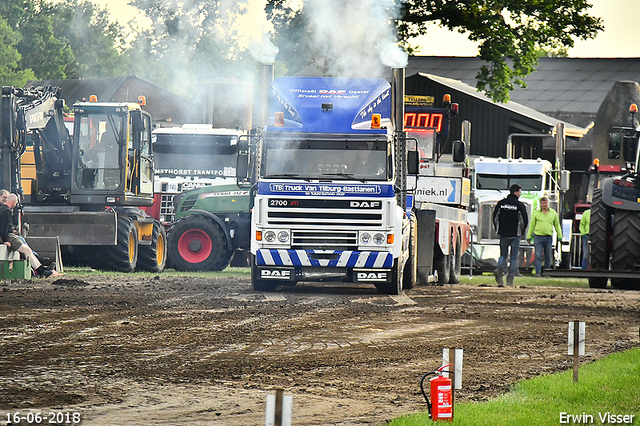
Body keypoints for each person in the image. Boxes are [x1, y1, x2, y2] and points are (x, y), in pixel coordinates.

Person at [0, 193, 59, 278]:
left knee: (28, 250)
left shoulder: (2, 209)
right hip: (8, 237)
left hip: (9, 235)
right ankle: (41, 270)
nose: (16, 205)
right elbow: (3, 228)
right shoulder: (6, 211)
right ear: (13, 202)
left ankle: (42, 269)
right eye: (16, 202)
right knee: (26, 250)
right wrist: (5, 241)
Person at [492, 184, 528, 286]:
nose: (520, 194)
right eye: (520, 192)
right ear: (515, 192)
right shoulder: (519, 205)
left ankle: (499, 269)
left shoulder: (501, 204)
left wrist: (498, 230)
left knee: (503, 255)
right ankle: (510, 278)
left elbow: (495, 218)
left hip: (503, 234)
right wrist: (521, 232)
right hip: (515, 234)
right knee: (513, 257)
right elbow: (524, 221)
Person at [527, 196, 562, 277]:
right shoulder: (536, 213)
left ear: (548, 203)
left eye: (545, 203)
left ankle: (547, 273)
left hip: (548, 237)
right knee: (538, 256)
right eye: (543, 203)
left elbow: (557, 225)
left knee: (548, 256)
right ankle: (538, 273)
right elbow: (532, 225)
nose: (544, 205)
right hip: (538, 237)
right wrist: (529, 236)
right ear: (540, 204)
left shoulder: (553, 213)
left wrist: (559, 235)